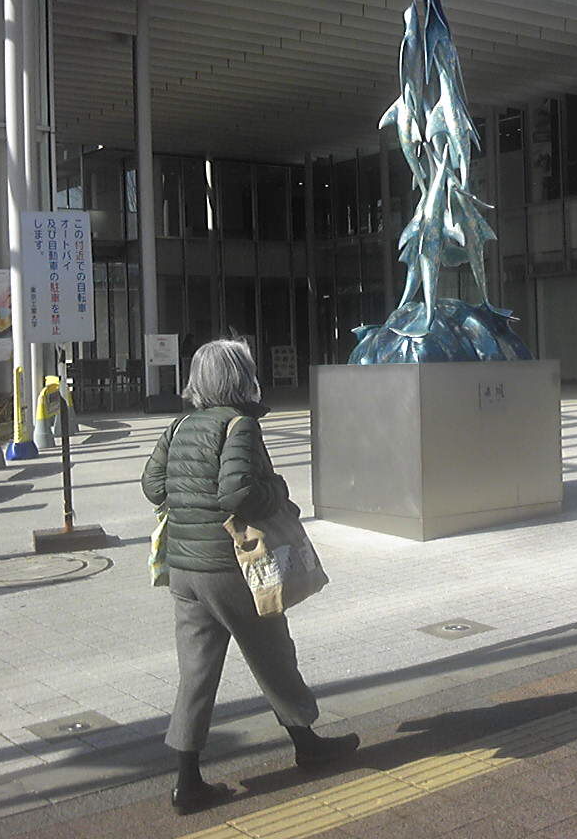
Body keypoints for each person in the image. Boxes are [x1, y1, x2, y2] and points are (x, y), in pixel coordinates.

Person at [142, 338, 358, 814]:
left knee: (196, 674)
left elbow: (152, 485)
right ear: (240, 377)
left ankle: (187, 782)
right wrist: (276, 490)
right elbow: (236, 493)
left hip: (185, 571)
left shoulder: (179, 425)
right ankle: (307, 744)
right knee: (274, 656)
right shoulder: (238, 425)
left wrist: (189, 500)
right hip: (231, 569)